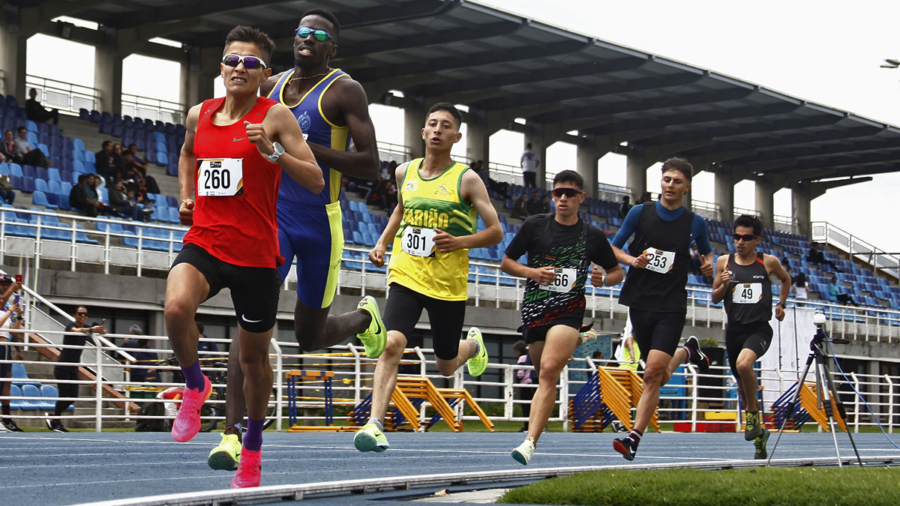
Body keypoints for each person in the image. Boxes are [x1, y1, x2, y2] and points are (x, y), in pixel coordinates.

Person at [207, 10, 386, 474]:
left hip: (320, 223)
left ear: (333, 47)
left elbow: (369, 164)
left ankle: (364, 317)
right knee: (251, 323)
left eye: (318, 34)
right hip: (271, 218)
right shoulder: (270, 83)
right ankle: (231, 433)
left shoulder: (345, 89)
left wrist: (295, 146)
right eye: (301, 32)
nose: (307, 38)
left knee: (309, 337)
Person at [164, 25, 324, 489]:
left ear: (264, 74)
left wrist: (271, 152)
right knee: (176, 308)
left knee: (253, 361)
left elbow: (314, 178)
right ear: (221, 66)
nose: (239, 68)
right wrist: (186, 195)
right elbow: (187, 154)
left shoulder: (274, 116)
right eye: (232, 60)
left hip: (256, 254)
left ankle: (252, 446)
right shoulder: (201, 113)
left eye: (250, 63)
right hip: (206, 240)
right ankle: (195, 385)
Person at [354, 102, 503, 453]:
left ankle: (473, 346)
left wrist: (460, 241)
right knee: (392, 344)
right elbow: (401, 210)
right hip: (406, 272)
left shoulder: (466, 179)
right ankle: (375, 423)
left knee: (447, 365)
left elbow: (496, 231)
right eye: (432, 124)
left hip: (447, 285)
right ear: (423, 133)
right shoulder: (404, 171)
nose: (437, 130)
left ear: (457, 136)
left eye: (445, 126)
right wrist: (381, 242)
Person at [501, 169, 624, 465]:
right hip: (535, 308)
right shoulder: (534, 226)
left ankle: (529, 442)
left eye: (570, 193)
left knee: (548, 371)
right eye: (558, 193)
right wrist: (533, 273)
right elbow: (506, 262)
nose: (564, 198)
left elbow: (617, 272)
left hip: (568, 310)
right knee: (543, 371)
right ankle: (531, 435)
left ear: (581, 197)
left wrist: (602, 281)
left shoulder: (592, 236)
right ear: (552, 196)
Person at [609, 157, 714, 461]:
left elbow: (707, 253)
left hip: (671, 304)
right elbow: (614, 247)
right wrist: (632, 261)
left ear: (687, 187)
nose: (670, 185)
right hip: (640, 301)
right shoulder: (639, 213)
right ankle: (687, 352)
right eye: (666, 179)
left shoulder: (695, 222)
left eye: (677, 181)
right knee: (658, 374)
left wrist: (708, 264)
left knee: (653, 373)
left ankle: (633, 438)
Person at [711, 215, 790, 459]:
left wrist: (781, 304)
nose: (740, 242)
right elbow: (715, 297)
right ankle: (759, 437)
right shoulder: (724, 262)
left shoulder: (768, 262)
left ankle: (753, 418)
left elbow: (786, 280)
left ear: (756, 239)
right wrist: (723, 285)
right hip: (734, 330)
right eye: (736, 237)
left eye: (746, 238)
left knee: (744, 364)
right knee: (744, 388)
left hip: (759, 329)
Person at [47, 306, 106, 432]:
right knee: (64, 395)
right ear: (75, 315)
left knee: (73, 396)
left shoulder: (85, 331)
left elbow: (97, 339)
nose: (83, 316)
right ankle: (56, 421)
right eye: (80, 314)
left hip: (74, 367)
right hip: (62, 366)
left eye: (85, 314)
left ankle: (53, 416)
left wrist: (101, 332)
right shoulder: (70, 326)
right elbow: (75, 331)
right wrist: (91, 329)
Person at [0, 274, 24, 432]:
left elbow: (14, 332)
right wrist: (13, 290)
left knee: (6, 383)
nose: (6, 287)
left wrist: (19, 316)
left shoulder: (8, 306)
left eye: (8, 284)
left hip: (5, 347)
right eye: (4, 284)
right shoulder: (5, 305)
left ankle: (6, 418)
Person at [513, 340, 535, 432]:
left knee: (526, 407)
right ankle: (534, 426)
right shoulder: (533, 356)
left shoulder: (522, 358)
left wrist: (517, 382)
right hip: (533, 383)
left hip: (525, 384)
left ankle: (526, 426)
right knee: (533, 406)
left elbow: (520, 373)